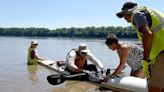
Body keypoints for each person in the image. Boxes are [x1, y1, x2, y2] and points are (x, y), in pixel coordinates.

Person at [116, 1, 164, 92]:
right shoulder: (152, 12)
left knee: (154, 86)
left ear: (128, 12)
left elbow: (147, 34)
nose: (124, 18)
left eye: (124, 15)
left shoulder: (137, 13)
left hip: (161, 52)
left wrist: (146, 59)